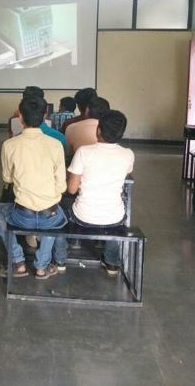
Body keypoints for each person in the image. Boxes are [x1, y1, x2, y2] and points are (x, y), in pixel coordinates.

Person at [0, 96, 67, 279]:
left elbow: (7, 178)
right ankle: (42, 267)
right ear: (45, 115)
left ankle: (18, 262)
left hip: (22, 216)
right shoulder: (56, 145)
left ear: (21, 118)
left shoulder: (9, 145)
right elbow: (62, 186)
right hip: (50, 215)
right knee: (55, 217)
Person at [60, 110, 135, 276]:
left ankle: (59, 259)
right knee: (118, 215)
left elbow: (71, 189)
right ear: (122, 132)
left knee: (60, 207)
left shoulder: (84, 152)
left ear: (98, 130)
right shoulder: (128, 154)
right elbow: (127, 171)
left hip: (83, 216)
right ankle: (112, 263)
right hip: (114, 218)